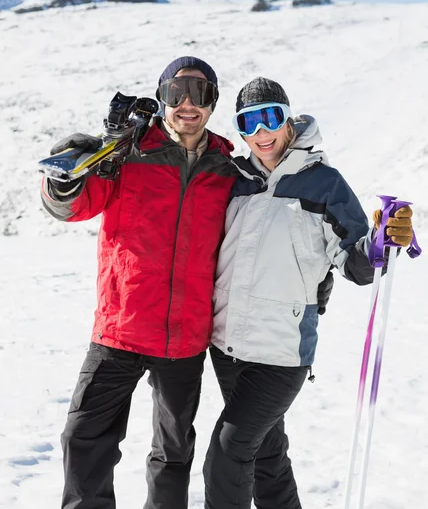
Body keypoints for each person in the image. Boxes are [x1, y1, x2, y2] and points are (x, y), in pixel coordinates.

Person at [203, 77, 414, 509]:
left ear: (288, 120)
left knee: (227, 455)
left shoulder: (324, 184)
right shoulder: (236, 179)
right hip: (226, 347)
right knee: (267, 455)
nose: (261, 133)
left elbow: (357, 262)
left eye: (270, 118)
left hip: (281, 355)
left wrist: (380, 241)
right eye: (249, 123)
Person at [41, 56, 238, 509]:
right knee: (84, 439)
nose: (187, 104)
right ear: (161, 97)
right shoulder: (127, 154)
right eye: (175, 93)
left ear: (213, 103)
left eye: (200, 93)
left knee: (172, 452)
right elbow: (73, 206)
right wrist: (66, 176)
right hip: (120, 328)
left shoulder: (228, 170)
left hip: (184, 338)